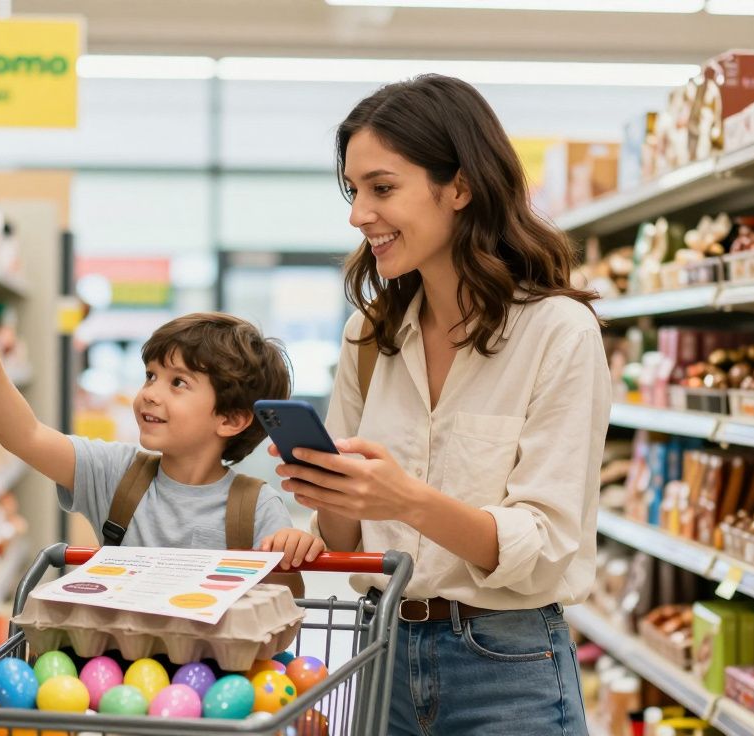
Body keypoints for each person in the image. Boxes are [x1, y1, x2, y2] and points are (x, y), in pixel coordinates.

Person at [272, 74, 610, 735]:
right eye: (353, 191)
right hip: (381, 649)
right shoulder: (369, 338)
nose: (358, 214)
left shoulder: (557, 333)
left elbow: (544, 545)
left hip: (506, 666)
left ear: (460, 186)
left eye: (382, 188)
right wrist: (328, 491)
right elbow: (344, 539)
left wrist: (405, 500)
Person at [0, 307, 325, 568]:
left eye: (178, 383)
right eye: (150, 376)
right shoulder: (116, 473)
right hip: (116, 667)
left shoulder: (257, 509)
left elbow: (282, 612)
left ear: (230, 419)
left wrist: (291, 554)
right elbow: (26, 435)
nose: (150, 393)